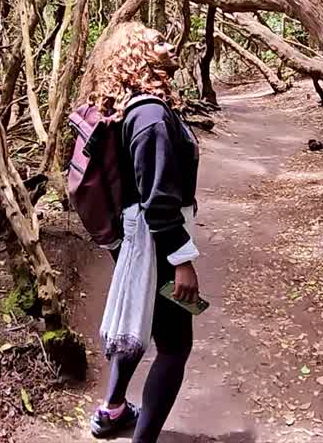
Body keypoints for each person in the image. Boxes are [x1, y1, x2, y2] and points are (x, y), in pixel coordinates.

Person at [76, 22, 202, 442]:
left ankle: (112, 410)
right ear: (139, 57)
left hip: (136, 238)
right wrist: (182, 262)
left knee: (141, 321)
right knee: (174, 346)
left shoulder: (131, 108)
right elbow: (159, 201)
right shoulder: (149, 116)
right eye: (159, 41)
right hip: (154, 243)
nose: (170, 44)